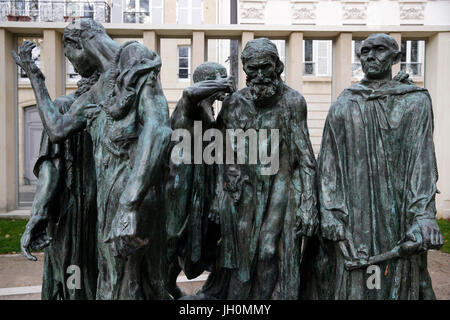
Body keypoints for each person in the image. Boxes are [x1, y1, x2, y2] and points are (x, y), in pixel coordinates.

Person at [13, 18, 172, 300]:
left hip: (133, 198)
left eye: (69, 56)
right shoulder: (100, 88)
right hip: (111, 203)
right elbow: (58, 129)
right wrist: (35, 78)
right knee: (119, 282)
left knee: (123, 285)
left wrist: (129, 203)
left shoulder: (134, 57)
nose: (73, 66)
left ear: (78, 44)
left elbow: (158, 129)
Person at [301, 33, 444, 300]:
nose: (370, 56)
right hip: (355, 214)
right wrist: (330, 212)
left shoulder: (415, 101)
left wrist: (423, 215)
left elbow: (422, 160)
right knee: (357, 280)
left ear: (395, 57)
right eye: (365, 51)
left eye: (379, 50)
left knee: (399, 280)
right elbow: (328, 164)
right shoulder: (344, 104)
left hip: (399, 213)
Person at [197, 38, 318, 299]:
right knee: (243, 257)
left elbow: (306, 157)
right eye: (253, 69)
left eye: (266, 67)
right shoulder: (233, 104)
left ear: (278, 66)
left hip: (280, 184)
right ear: (244, 70)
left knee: (267, 251)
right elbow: (221, 153)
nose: (260, 75)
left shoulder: (293, 102)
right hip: (244, 189)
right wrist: (220, 194)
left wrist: (309, 204)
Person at [20, 74, 98, 300]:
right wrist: (39, 213)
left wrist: (39, 213)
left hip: (86, 212)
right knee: (74, 276)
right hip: (74, 210)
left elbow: (51, 166)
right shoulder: (67, 107)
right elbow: (52, 166)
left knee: (73, 276)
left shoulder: (70, 107)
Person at [165, 62, 234, 299]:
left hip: (199, 180)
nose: (226, 83)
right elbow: (189, 92)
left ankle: (173, 284)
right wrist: (223, 84)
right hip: (180, 182)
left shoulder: (209, 108)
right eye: (220, 78)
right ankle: (161, 284)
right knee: (174, 235)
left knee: (195, 236)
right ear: (209, 81)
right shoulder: (192, 104)